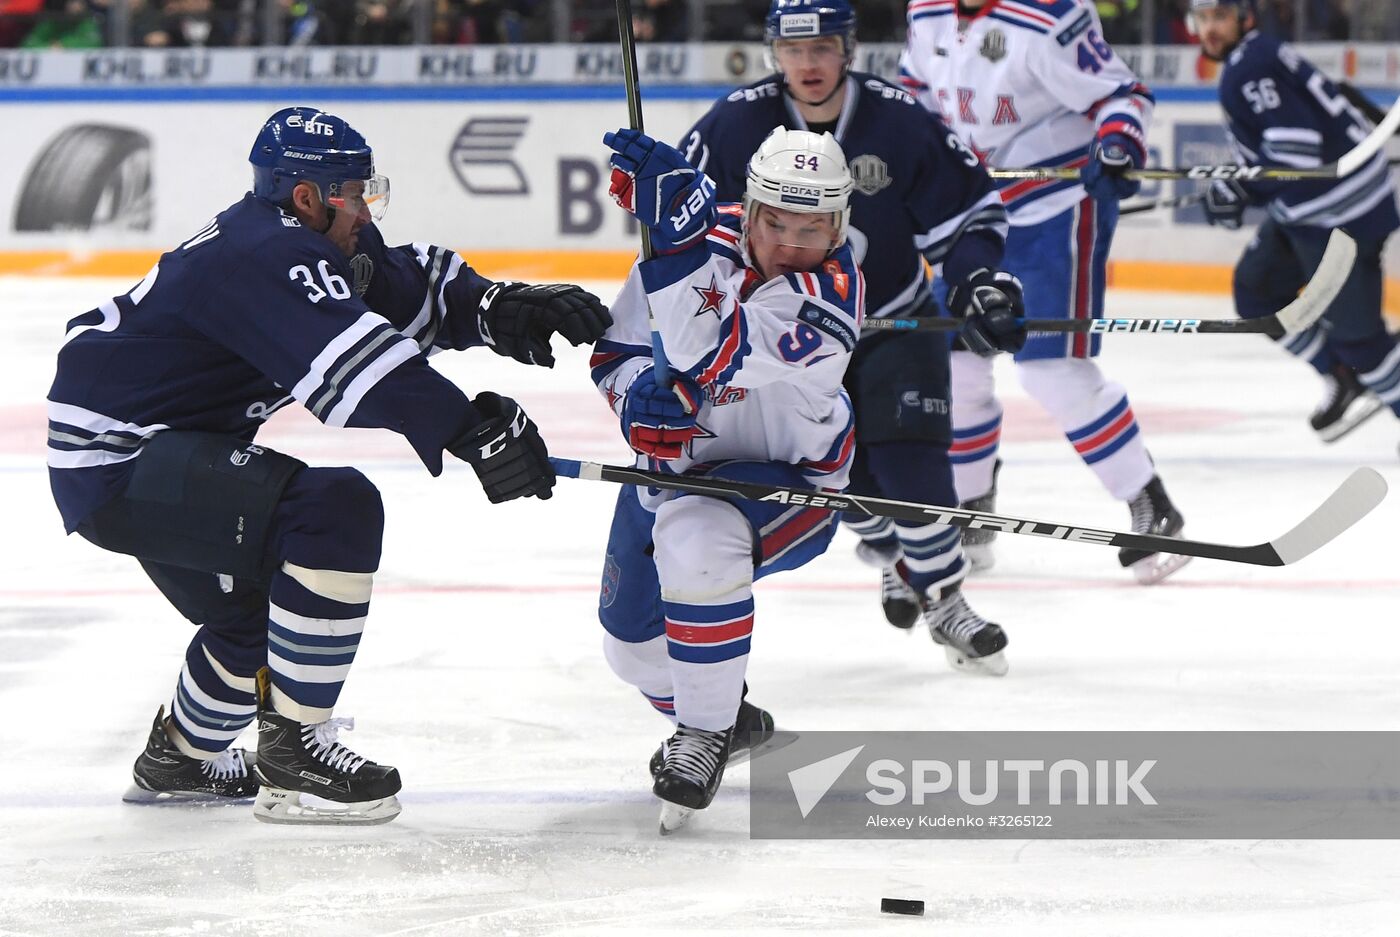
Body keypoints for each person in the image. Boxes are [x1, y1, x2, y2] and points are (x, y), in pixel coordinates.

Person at [46, 106, 610, 825]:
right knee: (332, 508)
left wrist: (498, 307)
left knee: (253, 614)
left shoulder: (317, 237)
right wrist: (472, 432)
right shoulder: (265, 251)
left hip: (147, 445)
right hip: (119, 456)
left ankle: (179, 757)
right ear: (306, 197)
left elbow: (404, 288)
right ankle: (295, 754)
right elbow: (359, 372)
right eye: (355, 193)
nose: (365, 211)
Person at [677, 0, 1021, 674]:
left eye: (824, 48)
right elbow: (686, 218)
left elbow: (971, 209)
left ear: (850, 48)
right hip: (786, 338)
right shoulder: (736, 122)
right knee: (845, 479)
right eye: (795, 51)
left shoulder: (897, 118)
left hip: (894, 318)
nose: (809, 64)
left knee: (909, 460)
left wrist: (978, 279)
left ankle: (946, 599)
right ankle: (896, 555)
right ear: (775, 52)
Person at [593, 126, 870, 831]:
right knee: (628, 648)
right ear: (749, 210)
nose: (787, 245)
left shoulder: (832, 293)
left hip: (792, 481)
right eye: (775, 222)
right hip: (676, 470)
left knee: (699, 528)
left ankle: (704, 734)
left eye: (811, 229)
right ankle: (724, 714)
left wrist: (678, 242)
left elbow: (705, 352)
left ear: (839, 226)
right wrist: (636, 405)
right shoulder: (694, 237)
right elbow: (619, 349)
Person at [901, 0, 1192, 585]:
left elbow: (1123, 94)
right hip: (967, 214)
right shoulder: (926, 11)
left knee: (1050, 371)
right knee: (952, 362)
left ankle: (1150, 503)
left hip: (1052, 209)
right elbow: (917, 92)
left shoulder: (1052, 18)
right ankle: (972, 512)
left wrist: (1116, 144)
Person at [1191, 0, 1400, 441]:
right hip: (1310, 210)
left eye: (1219, 18)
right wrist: (1240, 185)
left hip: (1342, 214)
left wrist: (1239, 189)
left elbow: (1295, 151)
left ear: (1244, 18)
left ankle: (1361, 367)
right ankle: (1342, 374)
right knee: (1256, 292)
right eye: (1203, 18)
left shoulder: (1249, 68)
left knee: (1363, 342)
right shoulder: (1258, 53)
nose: (1210, 29)